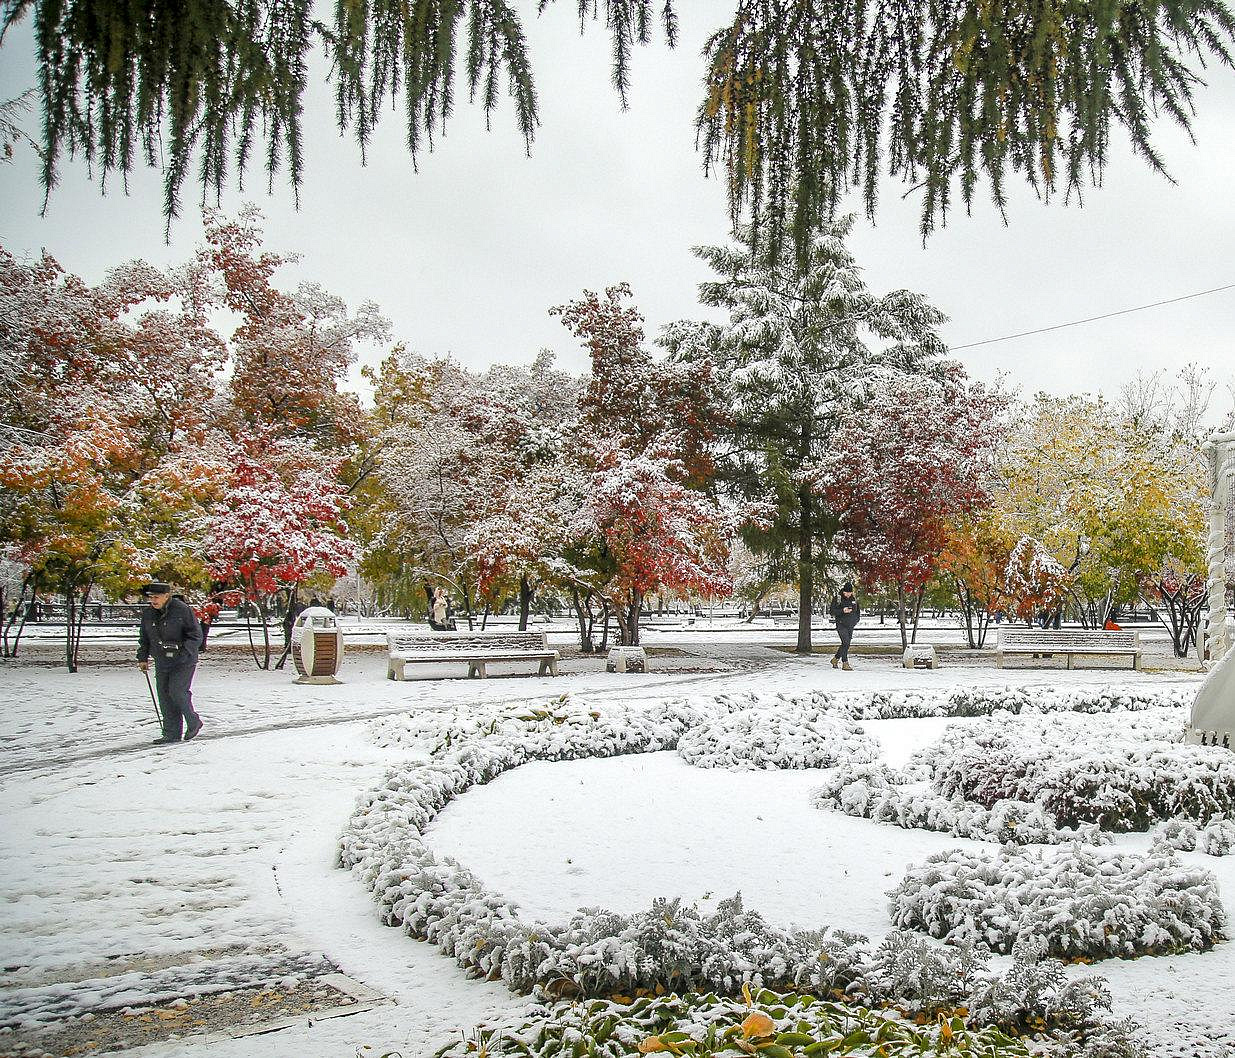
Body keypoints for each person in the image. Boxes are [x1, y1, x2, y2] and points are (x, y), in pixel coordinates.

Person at [137, 582, 203, 745]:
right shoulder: (148, 614)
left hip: (183, 660)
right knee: (164, 696)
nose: (153, 600)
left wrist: (184, 652)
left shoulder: (182, 610)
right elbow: (144, 637)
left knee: (177, 691)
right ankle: (171, 733)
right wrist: (142, 657)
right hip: (162, 659)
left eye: (156, 597)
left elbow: (195, 635)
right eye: (151, 597)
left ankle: (193, 721)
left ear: (167, 596)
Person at [828, 582, 861, 670]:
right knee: (846, 642)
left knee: (845, 644)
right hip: (841, 624)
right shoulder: (838, 598)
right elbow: (832, 611)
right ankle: (845, 663)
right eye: (846, 593)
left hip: (850, 624)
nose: (848, 595)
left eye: (850, 593)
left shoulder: (854, 599)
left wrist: (856, 620)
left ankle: (835, 659)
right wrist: (843, 610)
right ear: (843, 591)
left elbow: (857, 611)